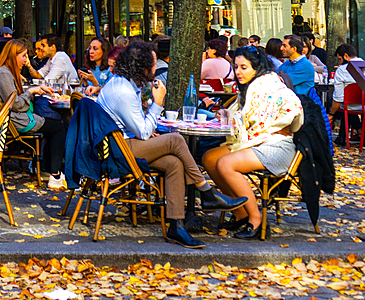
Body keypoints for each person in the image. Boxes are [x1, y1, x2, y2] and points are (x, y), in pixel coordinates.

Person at [96, 41, 245, 248]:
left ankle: (177, 226)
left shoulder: (125, 84)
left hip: (124, 143)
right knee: (175, 139)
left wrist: (151, 124)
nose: (156, 70)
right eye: (154, 65)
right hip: (119, 150)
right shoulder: (123, 91)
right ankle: (206, 192)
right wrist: (158, 103)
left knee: (174, 162)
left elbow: (140, 127)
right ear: (144, 67)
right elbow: (144, 131)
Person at [202, 47, 304, 239]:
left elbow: (264, 118)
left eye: (243, 67)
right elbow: (246, 118)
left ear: (256, 69)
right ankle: (240, 214)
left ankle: (256, 219)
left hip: (278, 146)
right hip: (258, 141)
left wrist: (231, 118)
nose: (238, 72)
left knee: (225, 164)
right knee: (209, 158)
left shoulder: (265, 84)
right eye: (236, 67)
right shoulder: (252, 85)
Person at [0, 39, 68, 190]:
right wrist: (31, 92)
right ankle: (55, 175)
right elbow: (16, 104)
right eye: (23, 56)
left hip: (15, 119)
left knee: (53, 124)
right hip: (16, 121)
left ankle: (46, 169)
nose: (26, 60)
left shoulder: (4, 71)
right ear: (13, 55)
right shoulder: (3, 73)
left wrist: (34, 90)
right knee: (59, 128)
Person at [330, 43, 361, 145]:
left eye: (340, 59)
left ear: (346, 56)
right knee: (348, 104)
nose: (340, 62)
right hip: (363, 103)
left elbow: (338, 98)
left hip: (350, 105)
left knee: (338, 105)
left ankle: (341, 136)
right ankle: (359, 131)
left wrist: (331, 114)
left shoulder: (342, 70)